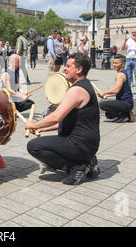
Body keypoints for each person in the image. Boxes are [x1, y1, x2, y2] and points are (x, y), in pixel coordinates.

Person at [26, 53, 100, 186]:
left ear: (79, 69)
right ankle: (85, 159)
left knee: (34, 147)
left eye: (68, 66)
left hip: (80, 143)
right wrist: (42, 128)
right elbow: (65, 121)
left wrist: (34, 124)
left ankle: (78, 166)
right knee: (41, 144)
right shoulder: (84, 85)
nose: (64, 68)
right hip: (86, 143)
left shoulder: (77, 90)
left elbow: (56, 117)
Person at [98, 55, 135, 123]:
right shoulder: (125, 73)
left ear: (123, 64)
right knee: (108, 114)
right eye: (113, 63)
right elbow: (119, 91)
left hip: (125, 103)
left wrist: (104, 92)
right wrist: (107, 95)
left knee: (102, 104)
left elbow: (116, 90)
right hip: (128, 103)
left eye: (116, 63)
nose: (114, 65)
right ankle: (125, 113)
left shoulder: (120, 75)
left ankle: (124, 114)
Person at [121, 29, 136, 98]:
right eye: (132, 32)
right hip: (128, 60)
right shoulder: (129, 40)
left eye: (135, 32)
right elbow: (123, 48)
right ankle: (128, 91)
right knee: (127, 76)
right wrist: (125, 41)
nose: (133, 34)